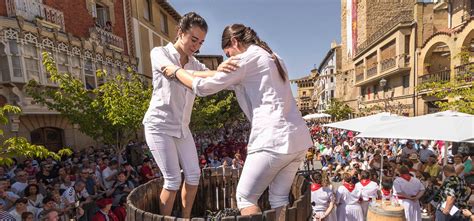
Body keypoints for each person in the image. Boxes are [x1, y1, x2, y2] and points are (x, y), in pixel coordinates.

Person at [162, 23, 312, 218]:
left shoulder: (246, 59)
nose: (229, 60)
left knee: (245, 198)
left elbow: (204, 87)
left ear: (234, 41)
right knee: (278, 199)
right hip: (298, 140)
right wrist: (192, 72)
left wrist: (175, 72)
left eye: (228, 54)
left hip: (273, 139)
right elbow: (220, 77)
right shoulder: (274, 57)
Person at [142, 12, 238, 218]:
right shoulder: (160, 53)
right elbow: (180, 73)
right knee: (173, 180)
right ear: (180, 33)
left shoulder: (195, 63)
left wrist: (232, 75)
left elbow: (210, 78)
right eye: (193, 39)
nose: (197, 46)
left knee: (194, 177)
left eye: (201, 42)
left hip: (182, 128)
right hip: (159, 126)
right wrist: (215, 72)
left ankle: (185, 218)